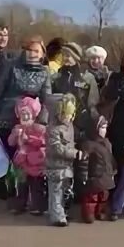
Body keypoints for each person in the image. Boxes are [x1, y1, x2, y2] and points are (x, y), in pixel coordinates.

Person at [0, 35, 51, 201]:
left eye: (36, 51)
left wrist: (41, 123)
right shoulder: (11, 66)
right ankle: (9, 189)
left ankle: (25, 195)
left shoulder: (45, 72)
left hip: (31, 121)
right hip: (8, 116)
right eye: (29, 50)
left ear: (42, 54)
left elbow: (47, 99)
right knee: (10, 157)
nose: (32, 54)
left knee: (28, 159)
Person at [45, 94, 83, 227]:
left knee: (64, 190)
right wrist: (74, 153)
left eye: (72, 114)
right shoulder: (53, 129)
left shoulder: (70, 126)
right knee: (56, 190)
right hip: (55, 165)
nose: (70, 118)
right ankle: (57, 216)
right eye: (67, 115)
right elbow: (57, 149)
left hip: (67, 166)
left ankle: (60, 212)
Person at [50, 42, 99, 142]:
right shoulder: (56, 77)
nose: (66, 58)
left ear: (76, 57)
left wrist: (96, 122)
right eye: (64, 55)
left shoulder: (87, 78)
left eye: (68, 55)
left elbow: (93, 104)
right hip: (61, 123)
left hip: (81, 124)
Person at [7, 97, 47, 215]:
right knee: (21, 184)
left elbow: (43, 142)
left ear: (33, 114)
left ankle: (38, 206)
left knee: (36, 185)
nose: (24, 117)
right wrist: (15, 135)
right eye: (22, 114)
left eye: (27, 114)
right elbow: (10, 142)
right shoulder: (17, 128)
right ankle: (20, 204)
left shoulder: (39, 129)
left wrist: (29, 139)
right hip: (21, 162)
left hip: (35, 161)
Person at [75, 117, 116, 223]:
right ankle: (88, 214)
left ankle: (100, 212)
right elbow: (83, 162)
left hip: (106, 175)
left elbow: (110, 159)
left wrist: (113, 170)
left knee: (103, 196)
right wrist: (83, 175)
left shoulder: (107, 143)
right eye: (102, 128)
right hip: (93, 176)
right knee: (91, 197)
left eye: (105, 128)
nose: (104, 130)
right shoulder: (88, 145)